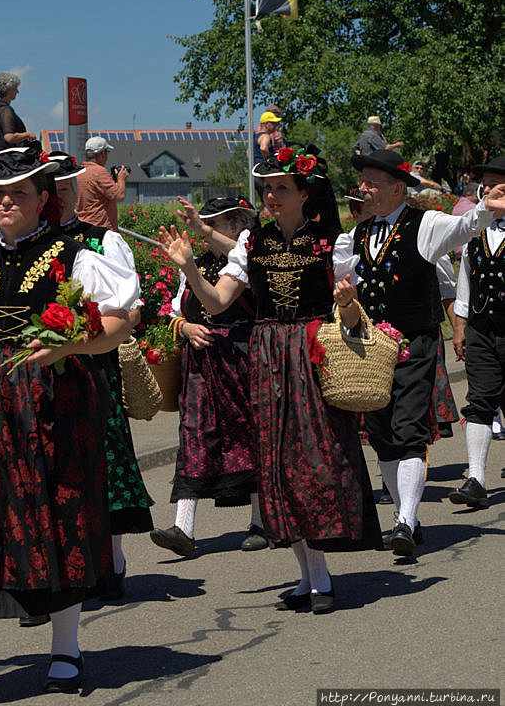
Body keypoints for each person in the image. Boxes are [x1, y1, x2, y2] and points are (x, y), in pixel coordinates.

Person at [159, 146, 382, 615]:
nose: (271, 196)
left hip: (311, 351)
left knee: (314, 458)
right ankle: (309, 576)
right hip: (266, 354)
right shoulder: (252, 244)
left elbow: (353, 313)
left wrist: (344, 303)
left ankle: (320, 576)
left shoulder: (331, 243)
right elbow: (217, 303)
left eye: (281, 187)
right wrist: (188, 267)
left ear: (305, 192)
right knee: (278, 462)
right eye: (266, 188)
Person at [0, 145, 137, 699]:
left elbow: (118, 323)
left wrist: (71, 345)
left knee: (59, 512)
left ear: (44, 199)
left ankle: (66, 647)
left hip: (55, 401)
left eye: (17, 193)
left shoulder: (78, 251)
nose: (4, 203)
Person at [333, 149, 505, 557]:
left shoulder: (424, 223)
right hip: (370, 349)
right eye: (363, 182)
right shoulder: (354, 236)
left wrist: (484, 207)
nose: (363, 188)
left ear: (397, 188)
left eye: (372, 182)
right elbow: (345, 291)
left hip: (415, 344)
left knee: (408, 428)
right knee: (381, 434)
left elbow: (462, 227)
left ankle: (406, 521)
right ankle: (405, 516)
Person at [53, 153, 155, 599]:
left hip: (94, 368)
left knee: (104, 461)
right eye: (47, 189)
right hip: (43, 373)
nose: (53, 199)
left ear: (75, 190)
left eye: (61, 189)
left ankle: (110, 561)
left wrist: (98, 330)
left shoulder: (101, 244)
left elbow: (133, 310)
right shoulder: (22, 251)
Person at [150, 197, 263, 558]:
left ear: (239, 224)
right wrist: (184, 327)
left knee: (250, 433)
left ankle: (262, 521)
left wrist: (201, 241)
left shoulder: (251, 259)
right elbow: (174, 311)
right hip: (202, 364)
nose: (207, 229)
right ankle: (184, 527)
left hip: (243, 358)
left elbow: (237, 272)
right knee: (194, 434)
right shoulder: (197, 264)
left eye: (216, 222)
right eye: (206, 221)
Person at [450, 155, 505, 508]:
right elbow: (465, 282)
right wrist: (460, 327)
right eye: (486, 184)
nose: (489, 189)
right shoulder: (476, 230)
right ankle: (476, 478)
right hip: (483, 329)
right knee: (479, 401)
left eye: (497, 183)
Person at [76, 137, 130, 231]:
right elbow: (120, 196)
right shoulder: (99, 172)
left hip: (84, 226)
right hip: (101, 229)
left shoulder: (79, 171)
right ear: (103, 153)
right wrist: (121, 179)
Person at [0, 72, 36, 150]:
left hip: (3, 156)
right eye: (16, 88)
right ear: (9, 89)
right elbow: (9, 137)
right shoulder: (6, 110)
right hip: (11, 158)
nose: (17, 92)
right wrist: (28, 135)